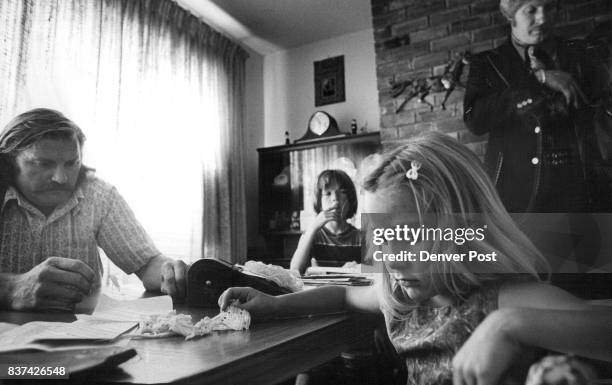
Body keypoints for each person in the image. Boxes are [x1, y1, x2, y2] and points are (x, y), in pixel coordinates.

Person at [220, 132, 612, 385]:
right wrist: (272, 306)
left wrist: (510, 325)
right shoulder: (401, 294)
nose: (391, 260)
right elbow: (340, 296)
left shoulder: (503, 301)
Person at [0, 108, 187, 312]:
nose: (61, 178)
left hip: (82, 334)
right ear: (9, 162)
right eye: (43, 164)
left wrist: (172, 272)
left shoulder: (99, 196)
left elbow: (147, 263)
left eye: (72, 164)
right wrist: (11, 289)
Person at [463, 0, 612, 213]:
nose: (543, 18)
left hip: (583, 193)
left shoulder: (580, 53)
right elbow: (475, 120)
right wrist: (539, 80)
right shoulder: (487, 63)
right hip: (516, 198)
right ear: (511, 15)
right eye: (531, 10)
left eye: (549, 8)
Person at [290, 169, 363, 275]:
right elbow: (295, 271)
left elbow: (377, 274)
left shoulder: (361, 237)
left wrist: (359, 268)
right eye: (328, 193)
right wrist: (312, 228)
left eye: (342, 192)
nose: (335, 199)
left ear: (350, 199)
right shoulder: (313, 234)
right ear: (319, 202)